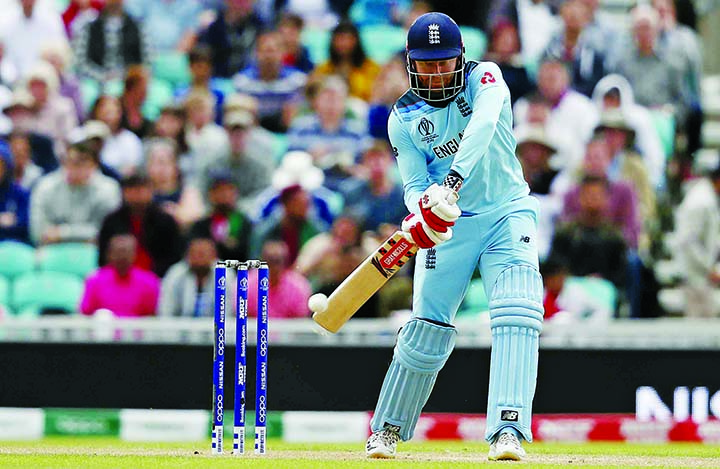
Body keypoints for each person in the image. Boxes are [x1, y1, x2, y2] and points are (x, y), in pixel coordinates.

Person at [365, 13, 544, 462]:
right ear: (410, 65)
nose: (437, 73)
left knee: (518, 310)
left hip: (506, 210)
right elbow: (411, 183)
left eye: (445, 63)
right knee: (426, 327)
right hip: (450, 225)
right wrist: (422, 210)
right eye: (426, 65)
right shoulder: (403, 117)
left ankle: (508, 430)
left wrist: (453, 181)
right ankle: (386, 429)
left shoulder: (485, 77)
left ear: (460, 58)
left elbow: (483, 127)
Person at [80, 233, 160, 317]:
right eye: (118, 252)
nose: (122, 256)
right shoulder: (95, 280)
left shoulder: (149, 281)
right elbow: (86, 313)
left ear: (135, 254)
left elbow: (152, 315)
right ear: (109, 254)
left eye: (125, 251)